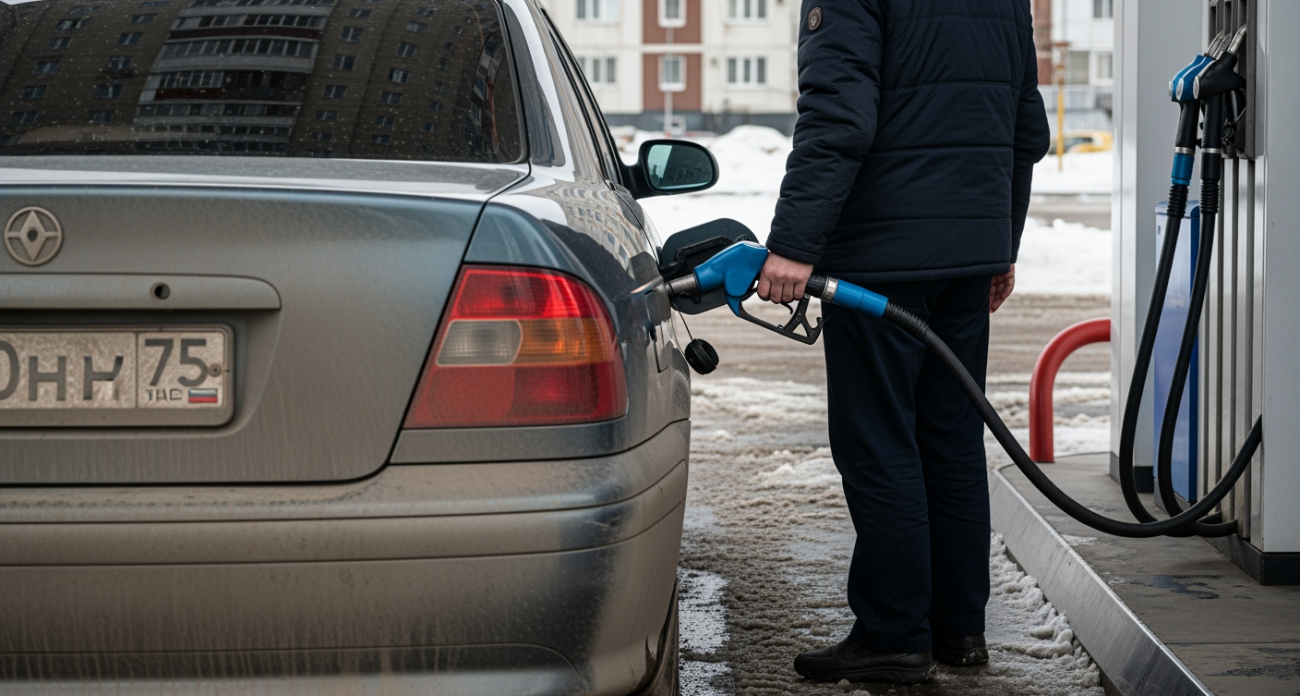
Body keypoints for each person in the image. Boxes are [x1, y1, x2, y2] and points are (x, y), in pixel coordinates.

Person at [756, 0, 1051, 685]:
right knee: (948, 441)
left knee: (880, 440)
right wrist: (998, 243)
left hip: (882, 260)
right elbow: (1025, 126)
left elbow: (839, 115)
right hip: (966, 255)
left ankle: (893, 634)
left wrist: (794, 247)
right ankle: (958, 630)